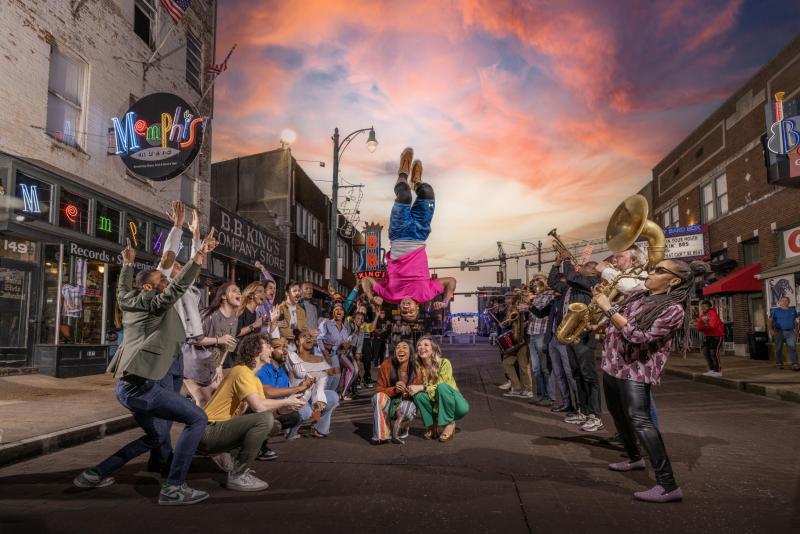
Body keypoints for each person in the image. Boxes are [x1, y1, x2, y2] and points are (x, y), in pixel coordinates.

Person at [74, 230, 218, 506]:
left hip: (129, 387)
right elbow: (174, 289)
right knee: (197, 419)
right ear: (150, 288)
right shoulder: (153, 302)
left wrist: (128, 264)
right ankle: (174, 487)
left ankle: (96, 473)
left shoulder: (129, 299)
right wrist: (200, 255)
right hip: (146, 385)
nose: (168, 279)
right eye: (162, 279)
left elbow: (121, 288)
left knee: (157, 435)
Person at [592, 259, 706, 503]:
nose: (649, 273)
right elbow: (617, 320)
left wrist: (608, 308)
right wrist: (597, 320)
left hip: (636, 371)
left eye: (658, 270)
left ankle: (668, 485)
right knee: (617, 415)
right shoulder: (639, 296)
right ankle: (634, 458)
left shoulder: (673, 309)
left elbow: (640, 336)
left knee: (641, 421)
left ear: (674, 281)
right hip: (613, 365)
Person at [200, 333, 306, 491]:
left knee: (274, 424)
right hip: (208, 430)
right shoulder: (241, 371)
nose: (271, 350)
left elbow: (266, 408)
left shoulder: (254, 379)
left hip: (221, 428)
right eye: (268, 346)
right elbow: (259, 407)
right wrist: (286, 400)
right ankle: (237, 474)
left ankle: (226, 455)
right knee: (264, 420)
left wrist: (287, 407)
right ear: (257, 350)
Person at [360, 148, 456, 322]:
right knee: (427, 191)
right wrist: (445, 301)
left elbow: (366, 279)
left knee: (404, 195)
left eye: (404, 312)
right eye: (410, 311)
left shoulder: (390, 295)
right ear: (417, 307)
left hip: (399, 234)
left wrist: (369, 296)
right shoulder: (426, 293)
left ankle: (403, 172)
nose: (406, 308)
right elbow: (451, 281)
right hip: (420, 234)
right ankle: (417, 183)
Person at [559, 257, 603, 432]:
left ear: (593, 271)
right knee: (577, 375)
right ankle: (583, 411)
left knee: (589, 376)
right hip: (573, 334)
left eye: (584, 267)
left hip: (584, 336)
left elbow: (570, 277)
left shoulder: (592, 281)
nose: (580, 269)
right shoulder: (579, 283)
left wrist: (568, 261)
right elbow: (565, 280)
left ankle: (595, 415)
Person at [253, 335, 315, 460]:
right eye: (278, 347)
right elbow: (268, 393)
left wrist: (303, 388)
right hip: (258, 409)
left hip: (274, 409)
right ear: (270, 350)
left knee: (297, 414)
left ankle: (260, 443)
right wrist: (297, 388)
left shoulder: (281, 370)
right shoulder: (263, 368)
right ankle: (254, 444)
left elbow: (285, 395)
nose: (284, 350)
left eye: (285, 347)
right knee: (286, 414)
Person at [184, 282, 241, 405]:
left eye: (239, 291)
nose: (239, 293)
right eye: (234, 290)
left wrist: (219, 365)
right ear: (224, 296)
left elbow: (228, 346)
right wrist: (218, 340)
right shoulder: (209, 315)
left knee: (211, 401)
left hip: (210, 365)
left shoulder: (235, 319)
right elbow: (193, 339)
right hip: (192, 363)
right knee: (203, 400)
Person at [407, 336, 469, 442]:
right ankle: (432, 426)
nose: (421, 347)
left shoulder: (444, 363)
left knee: (442, 387)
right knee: (419, 395)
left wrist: (422, 387)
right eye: (419, 345)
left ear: (433, 349)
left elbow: (443, 386)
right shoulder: (418, 367)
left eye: (426, 345)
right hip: (437, 405)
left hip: (456, 406)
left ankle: (449, 424)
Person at [285, 330, 341, 438]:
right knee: (306, 411)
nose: (308, 338)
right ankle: (291, 431)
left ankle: (318, 427)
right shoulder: (291, 356)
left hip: (313, 395)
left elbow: (326, 378)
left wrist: (319, 400)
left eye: (310, 337)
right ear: (297, 342)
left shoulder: (318, 358)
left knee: (333, 397)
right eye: (304, 336)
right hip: (298, 397)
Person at [372, 339, 422, 444]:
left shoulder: (416, 368)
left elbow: (420, 393)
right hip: (389, 401)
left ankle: (404, 426)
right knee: (377, 398)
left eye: (404, 347)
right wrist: (394, 389)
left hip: (406, 403)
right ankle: (381, 435)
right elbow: (378, 388)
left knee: (406, 409)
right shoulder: (386, 364)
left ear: (411, 352)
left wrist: (408, 392)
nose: (400, 350)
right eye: (398, 347)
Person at [526, 273, 557, 406]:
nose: (536, 282)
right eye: (535, 280)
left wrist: (529, 305)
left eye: (539, 279)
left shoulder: (550, 294)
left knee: (545, 368)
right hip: (532, 333)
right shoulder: (537, 295)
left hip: (542, 333)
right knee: (536, 368)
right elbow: (534, 314)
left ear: (546, 280)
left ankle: (550, 397)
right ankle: (540, 394)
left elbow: (541, 313)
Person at [501, 292, 533, 398]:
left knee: (523, 366)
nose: (507, 301)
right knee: (507, 363)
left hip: (522, 339)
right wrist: (505, 323)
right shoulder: (509, 309)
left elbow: (530, 320)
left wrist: (523, 323)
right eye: (506, 299)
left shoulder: (523, 308)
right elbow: (509, 322)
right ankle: (517, 387)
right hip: (513, 340)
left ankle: (528, 389)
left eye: (509, 298)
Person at [317, 302, 350, 392]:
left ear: (343, 313)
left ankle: (330, 396)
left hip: (334, 354)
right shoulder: (326, 323)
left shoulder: (345, 330)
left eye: (341, 310)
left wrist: (345, 347)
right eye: (336, 310)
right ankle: (321, 396)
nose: (339, 311)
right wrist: (325, 352)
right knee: (329, 376)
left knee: (337, 376)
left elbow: (342, 346)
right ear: (333, 313)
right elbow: (318, 339)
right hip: (322, 353)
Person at [769, 296, 799, 370]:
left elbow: (795, 321)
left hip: (790, 332)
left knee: (792, 348)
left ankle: (795, 364)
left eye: (786, 301)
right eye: (783, 301)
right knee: (778, 348)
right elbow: (770, 321)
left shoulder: (792, 310)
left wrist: (796, 330)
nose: (784, 302)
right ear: (780, 302)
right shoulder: (775, 311)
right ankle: (779, 363)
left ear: (789, 302)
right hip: (779, 332)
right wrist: (771, 330)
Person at [274, 281, 307, 345]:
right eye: (294, 291)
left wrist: (306, 333)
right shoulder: (280, 308)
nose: (298, 293)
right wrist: (298, 334)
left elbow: (304, 329)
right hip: (284, 345)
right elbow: (282, 331)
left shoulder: (301, 310)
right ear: (287, 293)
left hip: (298, 345)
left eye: (299, 290)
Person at [697, 300, 724, 376]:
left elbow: (712, 326)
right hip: (708, 336)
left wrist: (704, 326)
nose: (703, 308)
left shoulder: (713, 314)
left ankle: (718, 371)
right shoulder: (702, 315)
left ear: (709, 307)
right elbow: (699, 327)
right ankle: (712, 369)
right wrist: (706, 326)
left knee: (714, 353)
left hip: (717, 336)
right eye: (702, 307)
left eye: (705, 306)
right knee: (706, 353)